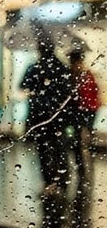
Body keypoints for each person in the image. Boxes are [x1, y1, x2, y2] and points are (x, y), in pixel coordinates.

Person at [20, 41, 75, 213]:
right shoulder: (62, 68)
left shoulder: (34, 67)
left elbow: (23, 86)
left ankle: (49, 182)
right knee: (59, 147)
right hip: (59, 116)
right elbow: (68, 91)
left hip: (39, 116)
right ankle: (62, 181)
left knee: (43, 149)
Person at [69, 50, 99, 193]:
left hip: (86, 110)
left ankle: (84, 164)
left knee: (82, 138)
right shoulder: (78, 75)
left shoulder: (83, 74)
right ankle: (82, 165)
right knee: (79, 139)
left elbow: (92, 92)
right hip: (84, 110)